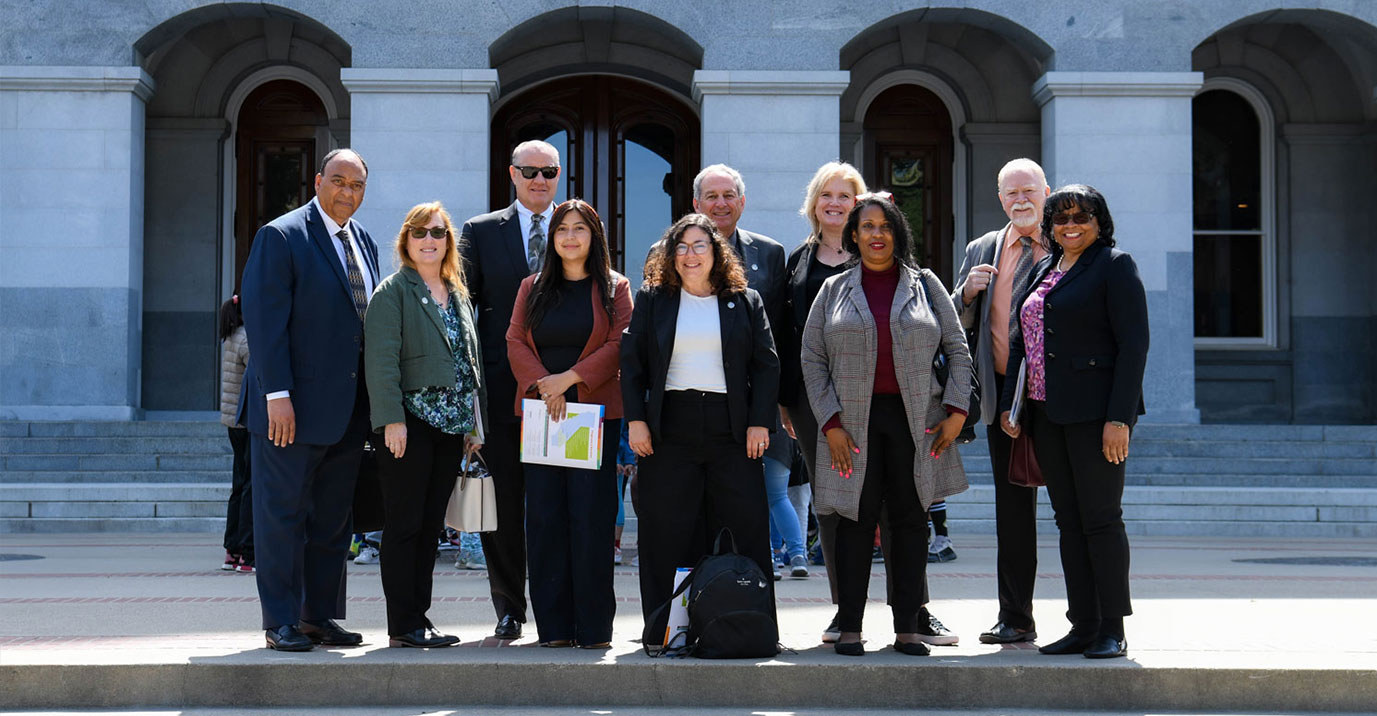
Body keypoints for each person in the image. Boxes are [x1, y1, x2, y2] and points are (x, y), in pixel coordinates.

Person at [800, 195, 972, 657]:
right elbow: (811, 359)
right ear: (853, 236)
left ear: (898, 233)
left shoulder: (927, 285)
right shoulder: (834, 289)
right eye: (867, 226)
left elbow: (958, 349)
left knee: (911, 521)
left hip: (918, 424)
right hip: (851, 426)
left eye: (886, 226)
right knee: (853, 521)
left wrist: (957, 411)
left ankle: (908, 628)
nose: (877, 235)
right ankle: (851, 627)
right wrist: (830, 423)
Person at [999, 184, 1148, 660]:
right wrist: (1011, 404)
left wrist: (1119, 419)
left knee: (1101, 520)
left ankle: (1111, 627)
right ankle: (1082, 623)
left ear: (1099, 222)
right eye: (1061, 218)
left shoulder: (1114, 266)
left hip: (1096, 417)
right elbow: (1021, 340)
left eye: (1082, 217)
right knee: (1068, 522)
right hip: (1046, 416)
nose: (1071, 225)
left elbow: (1133, 346)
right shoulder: (1044, 267)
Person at [240, 148, 380, 651]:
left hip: (347, 410)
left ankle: (317, 616)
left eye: (357, 185)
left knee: (332, 520)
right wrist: (277, 394)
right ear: (318, 180)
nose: (347, 192)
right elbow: (265, 322)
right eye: (338, 181)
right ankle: (280, 619)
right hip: (290, 411)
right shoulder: (281, 235)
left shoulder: (362, 239)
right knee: (282, 516)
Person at [621, 213, 780, 640]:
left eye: (700, 246)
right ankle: (666, 631)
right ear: (671, 255)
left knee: (744, 526)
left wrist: (759, 423)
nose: (691, 255)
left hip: (733, 431)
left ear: (717, 252)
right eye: (682, 247)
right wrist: (636, 421)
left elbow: (766, 366)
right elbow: (631, 365)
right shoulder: (653, 299)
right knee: (667, 531)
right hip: (669, 427)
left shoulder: (745, 300)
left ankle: (748, 625)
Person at [505, 198, 632, 648]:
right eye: (563, 229)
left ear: (594, 236)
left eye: (580, 228)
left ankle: (593, 628)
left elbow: (619, 344)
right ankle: (554, 629)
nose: (571, 236)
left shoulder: (615, 287)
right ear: (552, 238)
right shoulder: (531, 287)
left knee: (591, 520)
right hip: (542, 416)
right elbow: (515, 339)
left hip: (593, 418)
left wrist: (569, 380)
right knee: (544, 520)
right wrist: (544, 386)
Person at [364, 201, 485, 648]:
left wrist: (475, 424)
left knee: (432, 526)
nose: (429, 241)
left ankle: (421, 617)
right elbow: (381, 364)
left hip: (451, 429)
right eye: (420, 233)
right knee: (405, 525)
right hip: (409, 428)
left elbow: (468, 364)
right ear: (406, 241)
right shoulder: (392, 292)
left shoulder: (457, 292)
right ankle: (403, 624)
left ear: (448, 241)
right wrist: (391, 420)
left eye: (437, 233)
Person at [458, 139, 562, 640]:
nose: (540, 180)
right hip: (501, 392)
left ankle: (554, 604)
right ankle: (508, 607)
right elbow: (462, 313)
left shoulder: (574, 225)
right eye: (530, 171)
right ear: (512, 174)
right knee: (504, 504)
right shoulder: (479, 232)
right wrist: (468, 397)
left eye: (549, 172)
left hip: (565, 394)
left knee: (552, 503)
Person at [952, 158, 1052, 645]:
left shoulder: (1067, 243)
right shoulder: (983, 250)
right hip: (1005, 405)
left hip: (1059, 404)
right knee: (1012, 515)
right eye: (1011, 192)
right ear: (1000, 199)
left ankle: (1091, 619)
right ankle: (1015, 617)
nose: (1020, 200)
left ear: (1046, 191)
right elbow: (953, 325)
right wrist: (965, 295)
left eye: (1028, 190)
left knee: (1074, 513)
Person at [690, 164, 800, 578]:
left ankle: (748, 595)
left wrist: (782, 403)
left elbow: (779, 336)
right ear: (696, 204)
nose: (721, 204)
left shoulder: (770, 253)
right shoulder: (672, 251)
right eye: (712, 196)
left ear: (742, 202)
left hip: (755, 406)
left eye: (728, 195)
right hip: (694, 402)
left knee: (753, 503)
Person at [218, 295, 253, 574]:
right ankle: (245, 550)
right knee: (250, 486)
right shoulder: (245, 339)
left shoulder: (230, 338)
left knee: (239, 485)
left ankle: (231, 549)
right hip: (246, 421)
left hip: (232, 422)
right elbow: (259, 371)